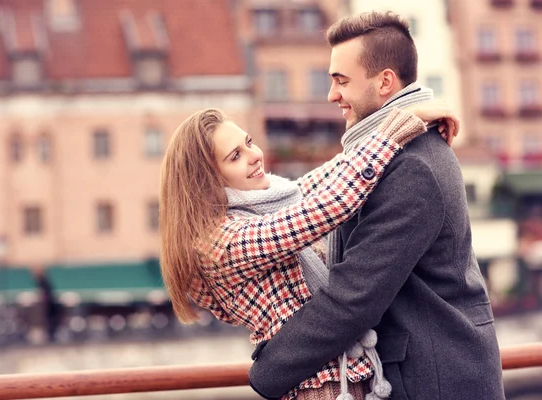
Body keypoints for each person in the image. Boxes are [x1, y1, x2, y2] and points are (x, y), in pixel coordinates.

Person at [247, 11, 505, 400]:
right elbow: (316, 193)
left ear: (385, 82)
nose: (331, 94)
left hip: (436, 379)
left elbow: (355, 296)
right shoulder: (394, 151)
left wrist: (268, 371)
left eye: (341, 81)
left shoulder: (412, 166)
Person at [159, 100, 458, 400]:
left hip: (345, 378)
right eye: (235, 156)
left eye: (249, 142)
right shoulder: (222, 243)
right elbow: (329, 204)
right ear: (208, 181)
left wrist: (413, 123)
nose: (254, 156)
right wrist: (400, 124)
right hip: (317, 388)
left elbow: (339, 170)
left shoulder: (271, 203)